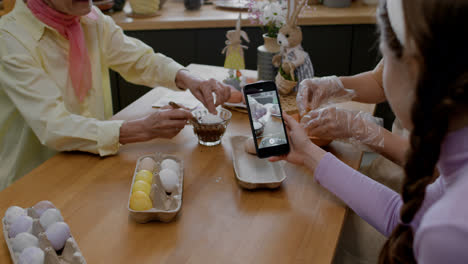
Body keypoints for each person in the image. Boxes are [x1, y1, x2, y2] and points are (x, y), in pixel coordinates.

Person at [271, 0, 468, 263]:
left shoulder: (448, 233)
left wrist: (364, 130)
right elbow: (401, 217)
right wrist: (307, 152)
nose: (382, 73)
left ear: (413, 68)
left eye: (386, 58)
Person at [0, 0, 232, 190]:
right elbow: (54, 125)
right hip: (34, 182)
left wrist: (188, 78)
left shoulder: (89, 17)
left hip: (92, 164)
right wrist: (141, 129)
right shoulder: (10, 39)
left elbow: (139, 59)